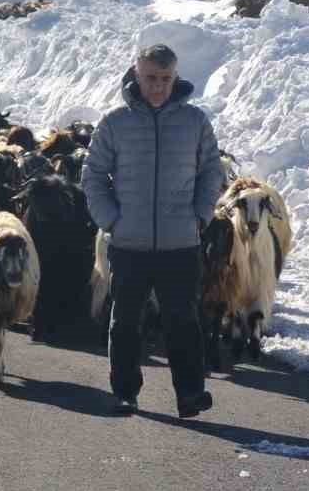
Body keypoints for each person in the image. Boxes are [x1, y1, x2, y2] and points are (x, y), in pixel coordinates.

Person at [82, 43, 223, 418]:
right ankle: (125, 392)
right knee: (126, 321)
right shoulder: (115, 123)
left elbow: (212, 171)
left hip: (181, 243)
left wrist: (200, 216)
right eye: (150, 78)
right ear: (136, 75)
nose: (158, 86)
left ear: (175, 77)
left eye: (165, 78)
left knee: (183, 321)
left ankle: (190, 394)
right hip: (129, 243)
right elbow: (93, 175)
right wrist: (112, 220)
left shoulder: (194, 122)